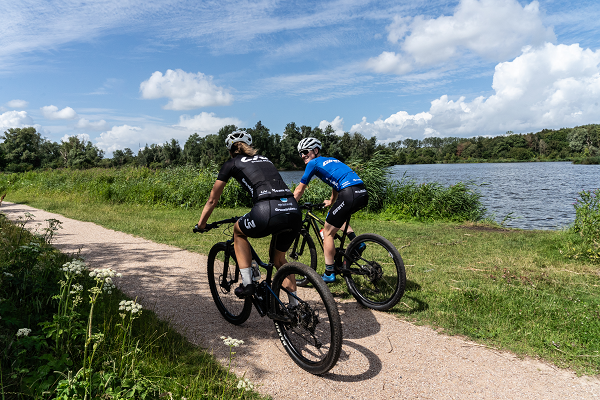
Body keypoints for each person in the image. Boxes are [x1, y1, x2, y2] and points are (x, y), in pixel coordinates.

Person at [197, 130, 302, 300]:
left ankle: (248, 284)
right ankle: (295, 307)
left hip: (266, 209)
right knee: (280, 261)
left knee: (238, 230)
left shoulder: (231, 163)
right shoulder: (265, 159)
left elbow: (212, 200)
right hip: (293, 209)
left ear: (230, 150)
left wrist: (201, 224)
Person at [293, 137, 368, 283]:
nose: (302, 155)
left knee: (327, 232)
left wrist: (289, 204)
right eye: (300, 153)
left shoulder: (313, 163)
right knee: (337, 217)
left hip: (348, 193)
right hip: (362, 192)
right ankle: (357, 242)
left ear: (315, 150)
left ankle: (329, 272)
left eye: (305, 151)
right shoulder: (332, 160)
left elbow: (300, 189)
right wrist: (332, 201)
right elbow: (336, 183)